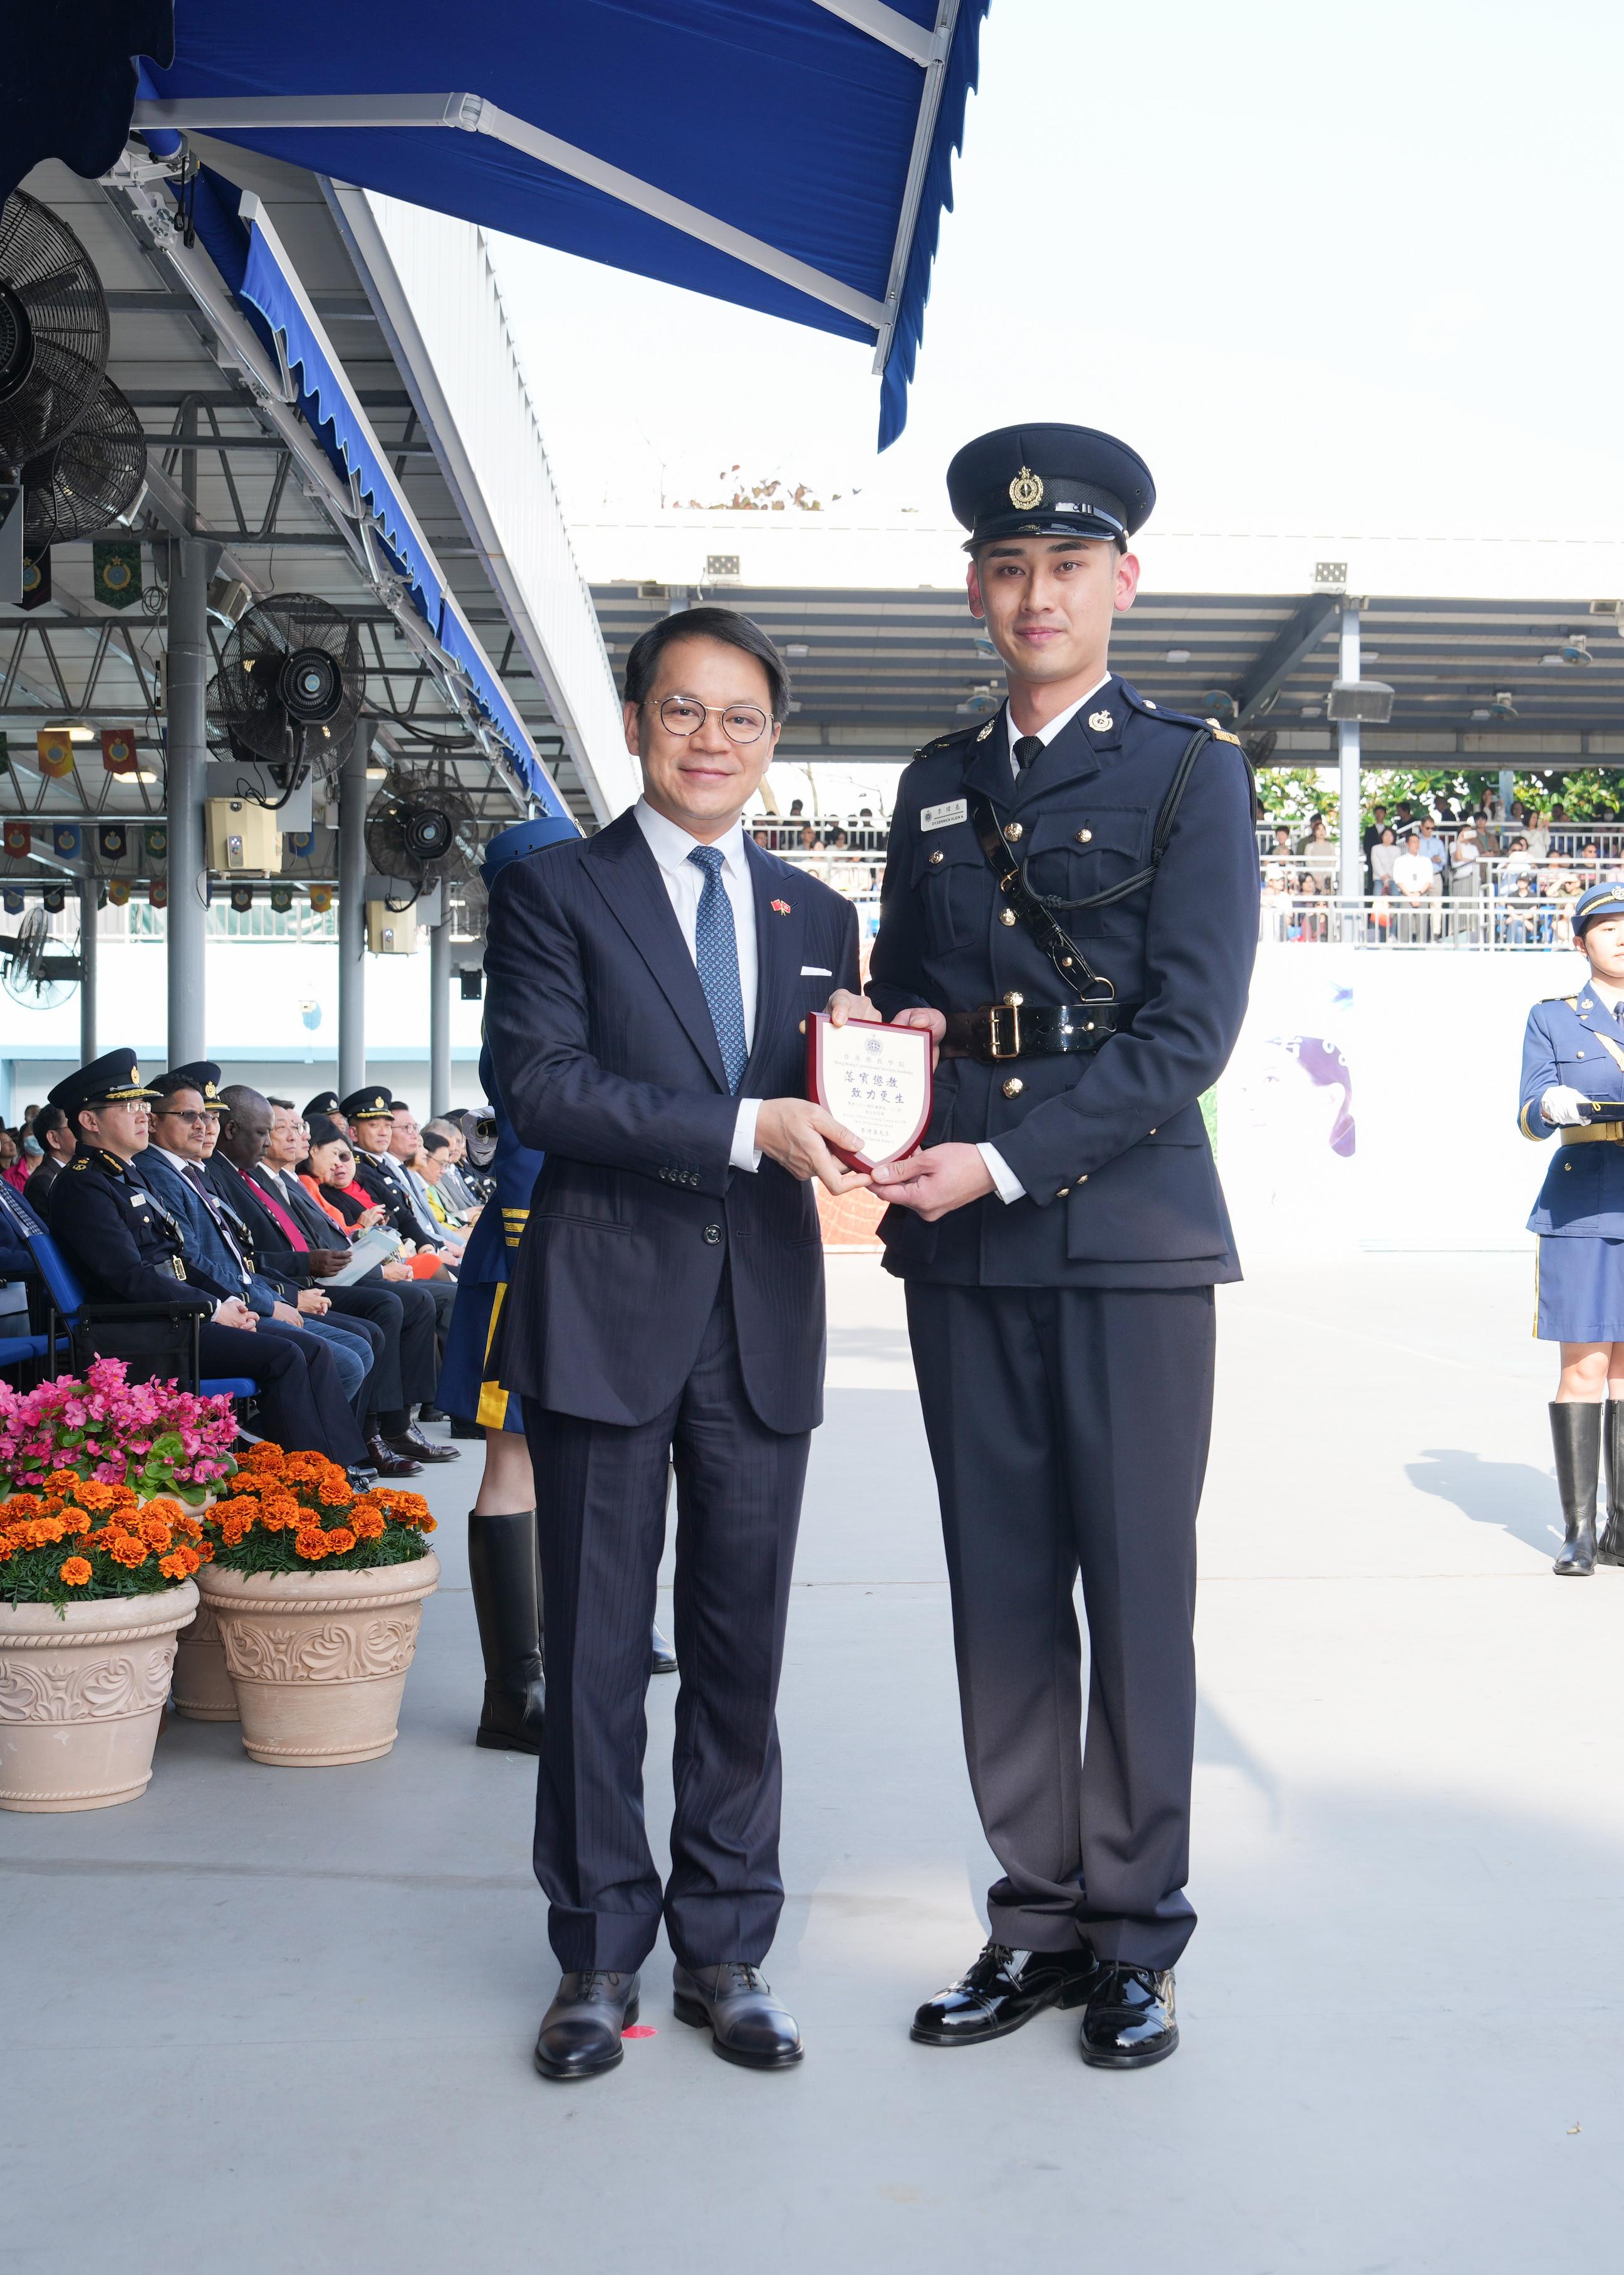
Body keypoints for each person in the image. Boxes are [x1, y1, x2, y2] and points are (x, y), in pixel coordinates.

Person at [849, 423, 1258, 2072]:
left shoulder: (1189, 767)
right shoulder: (936, 778)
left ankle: (1139, 1933)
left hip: (1131, 1237)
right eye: (1008, 568)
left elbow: (1190, 1031)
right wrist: (889, 1068)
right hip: (962, 1249)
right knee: (1004, 1593)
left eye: (1068, 565)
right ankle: (1037, 1911)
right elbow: (905, 985)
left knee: (1136, 1587)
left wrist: (1002, 1155)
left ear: (1123, 582)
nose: (1037, 593)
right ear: (976, 587)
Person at [484, 602, 862, 2081]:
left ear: (773, 743)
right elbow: (544, 1087)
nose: (714, 738)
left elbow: (843, 1088)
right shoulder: (557, 888)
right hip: (604, 1312)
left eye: (743, 716)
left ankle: (726, 1946)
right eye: (685, 709)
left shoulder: (816, 918)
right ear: (636, 723)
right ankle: (593, 1954)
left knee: (737, 1650)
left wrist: (884, 1103)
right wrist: (740, 1127)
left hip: (761, 1317)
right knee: (590, 1652)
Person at [44, 1049, 365, 1465]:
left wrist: (229, 1301)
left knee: (311, 1350)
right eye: (128, 1107)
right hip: (142, 1327)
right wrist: (211, 1309)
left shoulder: (124, 1174)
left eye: (143, 1105)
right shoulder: (84, 1186)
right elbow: (129, 1277)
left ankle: (332, 1472)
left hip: (176, 1312)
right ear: (89, 1120)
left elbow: (179, 1257)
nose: (143, 1114)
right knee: (288, 1355)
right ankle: (302, 1481)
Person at [134, 1067, 381, 1439]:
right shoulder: (163, 1172)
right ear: (153, 1122)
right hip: (213, 1308)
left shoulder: (191, 1172)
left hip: (245, 1295)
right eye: (192, 1116)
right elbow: (193, 1261)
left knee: (359, 1344)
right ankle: (275, 1448)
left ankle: (307, 1450)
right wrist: (273, 1302)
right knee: (341, 1357)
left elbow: (238, 1256)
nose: (205, 1127)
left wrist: (280, 1296)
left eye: (210, 1116)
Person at [236, 1089, 448, 1475]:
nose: (291, 1135)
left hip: (321, 1274)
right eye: (280, 1128)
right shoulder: (254, 1180)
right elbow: (262, 1255)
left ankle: (396, 1426)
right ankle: (368, 1435)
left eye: (296, 1126)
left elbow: (327, 1239)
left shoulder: (289, 1181)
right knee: (390, 1308)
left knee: (414, 1301)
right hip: (294, 1282)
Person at [1516, 881, 1624, 1575]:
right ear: (1582, 940)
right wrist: (1553, 1104)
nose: (1623, 937)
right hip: (1584, 1205)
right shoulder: (1553, 1017)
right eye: (1609, 927)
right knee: (1585, 1366)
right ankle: (1580, 1532)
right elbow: (1528, 1113)